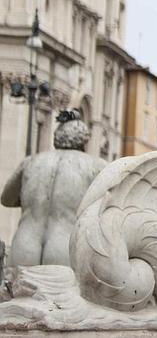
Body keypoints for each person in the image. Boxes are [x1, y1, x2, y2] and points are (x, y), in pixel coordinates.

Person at [1, 110, 106, 266]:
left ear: (57, 137)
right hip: (64, 250)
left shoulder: (31, 162)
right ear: (84, 141)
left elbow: (6, 199)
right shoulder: (97, 166)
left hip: (23, 248)